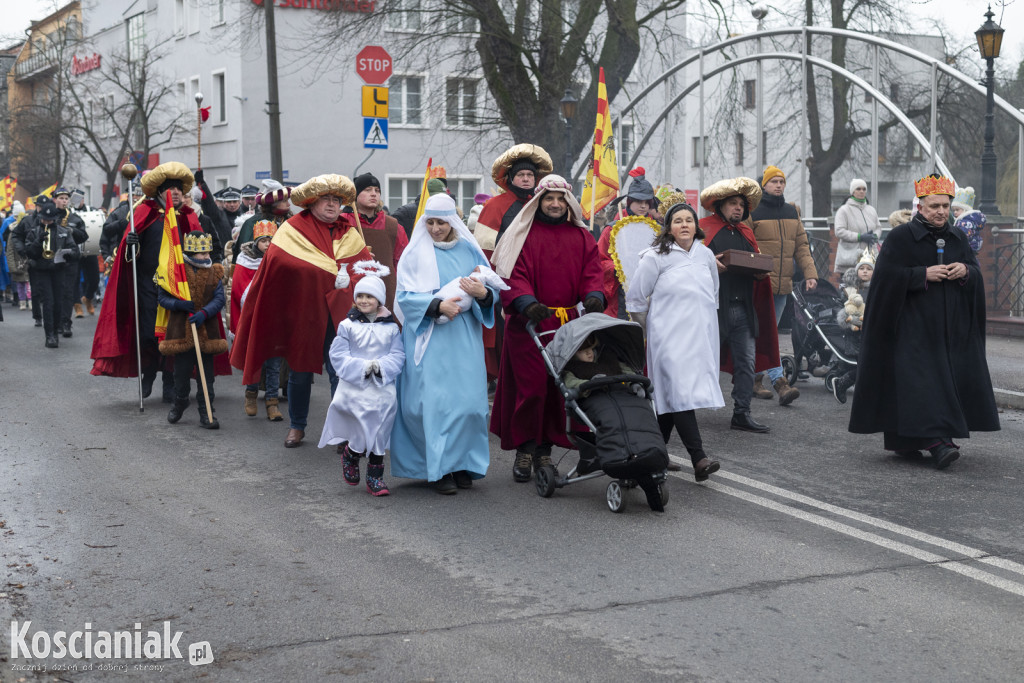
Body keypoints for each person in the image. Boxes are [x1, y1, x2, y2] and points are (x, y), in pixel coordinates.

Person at [849, 174, 1000, 468]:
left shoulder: (957, 237)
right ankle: (939, 443)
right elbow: (884, 280)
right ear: (920, 206)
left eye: (945, 205)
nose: (941, 212)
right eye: (934, 206)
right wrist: (921, 275)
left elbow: (975, 271)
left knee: (937, 382)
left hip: (948, 329)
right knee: (924, 383)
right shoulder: (900, 238)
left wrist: (966, 271)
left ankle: (906, 440)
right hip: (911, 329)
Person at [230, 174, 372, 448]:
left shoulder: (350, 233)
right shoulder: (293, 229)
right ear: (312, 202)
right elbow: (279, 268)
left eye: (336, 200)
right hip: (303, 311)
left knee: (339, 372)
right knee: (299, 371)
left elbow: (365, 272)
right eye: (326, 199)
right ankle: (297, 426)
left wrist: (353, 279)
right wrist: (321, 272)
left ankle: (341, 430)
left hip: (340, 315)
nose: (332, 205)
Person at [490, 174, 605, 482]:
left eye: (560, 199)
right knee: (532, 389)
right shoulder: (522, 235)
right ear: (538, 202)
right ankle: (525, 450)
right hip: (530, 323)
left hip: (569, 325)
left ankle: (544, 451)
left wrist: (594, 295)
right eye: (548, 199)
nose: (554, 204)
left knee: (560, 389)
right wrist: (526, 303)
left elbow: (591, 272)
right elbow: (513, 274)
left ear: (568, 203)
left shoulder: (582, 237)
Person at [390, 194, 497, 494]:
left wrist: (483, 294)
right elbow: (405, 297)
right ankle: (438, 469)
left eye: (442, 222)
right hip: (429, 336)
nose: (436, 228)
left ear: (454, 222)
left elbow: (489, 288)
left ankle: (463, 464)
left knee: (468, 404)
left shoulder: (470, 250)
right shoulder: (415, 254)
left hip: (464, 336)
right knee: (434, 405)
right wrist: (437, 306)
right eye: (431, 222)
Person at [90, 162, 216, 401]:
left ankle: (169, 382)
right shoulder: (144, 212)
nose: (176, 192)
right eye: (170, 188)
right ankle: (149, 372)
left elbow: (201, 252)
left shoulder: (188, 217)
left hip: (181, 285)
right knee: (150, 333)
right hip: (149, 284)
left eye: (179, 188)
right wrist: (131, 242)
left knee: (175, 335)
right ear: (159, 191)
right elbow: (128, 258)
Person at [627, 196, 724, 481]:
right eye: (678, 220)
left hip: (698, 338)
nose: (684, 224)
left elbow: (712, 297)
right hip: (667, 339)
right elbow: (635, 299)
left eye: (689, 220)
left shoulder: (705, 255)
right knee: (681, 393)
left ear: (696, 226)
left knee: (671, 398)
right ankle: (699, 458)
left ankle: (653, 453)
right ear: (668, 228)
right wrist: (650, 329)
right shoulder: (655, 256)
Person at [699, 177, 779, 434]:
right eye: (733, 203)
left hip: (743, 308)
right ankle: (678, 412)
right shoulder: (702, 229)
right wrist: (711, 265)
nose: (738, 209)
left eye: (741, 205)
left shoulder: (746, 232)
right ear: (720, 205)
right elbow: (688, 267)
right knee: (695, 361)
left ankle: (741, 413)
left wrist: (760, 274)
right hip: (710, 310)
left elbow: (755, 264)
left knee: (746, 362)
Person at [319, 265, 405, 497]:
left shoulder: (391, 329)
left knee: (380, 429)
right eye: (361, 296)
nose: (365, 300)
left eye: (370, 296)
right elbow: (338, 354)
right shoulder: (347, 326)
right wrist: (361, 367)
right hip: (355, 387)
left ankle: (375, 477)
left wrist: (380, 367)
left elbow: (397, 355)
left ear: (379, 300)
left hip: (382, 387)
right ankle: (352, 453)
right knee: (359, 425)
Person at [748, 166, 815, 405]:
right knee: (767, 334)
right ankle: (780, 382)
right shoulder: (753, 211)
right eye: (774, 181)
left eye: (782, 181)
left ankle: (755, 379)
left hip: (782, 286)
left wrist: (810, 273)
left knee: (768, 334)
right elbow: (747, 245)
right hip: (759, 283)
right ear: (764, 185)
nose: (778, 185)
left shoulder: (791, 212)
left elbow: (802, 246)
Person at [157, 231, 228, 429]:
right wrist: (179, 305)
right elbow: (162, 298)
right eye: (202, 254)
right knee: (181, 375)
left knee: (207, 376)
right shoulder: (177, 272)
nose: (207, 257)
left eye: (208, 253)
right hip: (181, 331)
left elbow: (219, 299)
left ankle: (207, 412)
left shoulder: (215, 271)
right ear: (191, 253)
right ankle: (180, 402)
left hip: (206, 331)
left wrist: (205, 313)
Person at [231, 220, 283, 421]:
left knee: (274, 364)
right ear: (256, 242)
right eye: (264, 240)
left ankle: (272, 402)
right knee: (254, 361)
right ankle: (251, 395)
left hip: (274, 319)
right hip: (253, 319)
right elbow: (240, 289)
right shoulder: (245, 260)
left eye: (271, 240)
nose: (268, 244)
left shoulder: (279, 259)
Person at [11, 198, 79, 348]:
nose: (47, 223)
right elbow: (29, 252)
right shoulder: (34, 232)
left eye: (50, 221)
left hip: (59, 270)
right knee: (48, 303)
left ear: (54, 219)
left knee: (58, 303)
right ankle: (50, 335)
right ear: (41, 219)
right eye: (44, 220)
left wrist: (69, 254)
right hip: (41, 271)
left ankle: (57, 329)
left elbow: (75, 250)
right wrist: (37, 242)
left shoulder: (63, 232)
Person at [341, 172, 409, 310]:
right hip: (351, 289)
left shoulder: (393, 225)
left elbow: (403, 262)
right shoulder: (342, 222)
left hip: (386, 291)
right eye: (367, 190)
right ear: (356, 194)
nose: (374, 194)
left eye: (377, 190)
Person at [597, 167, 656, 319]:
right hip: (620, 295)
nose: (643, 206)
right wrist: (619, 268)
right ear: (629, 202)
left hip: (650, 294)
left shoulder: (656, 230)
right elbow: (599, 260)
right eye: (638, 201)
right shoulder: (612, 230)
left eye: (646, 202)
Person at [830, 249, 874, 403]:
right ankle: (842, 383)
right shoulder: (850, 290)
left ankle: (844, 384)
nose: (865, 272)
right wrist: (852, 320)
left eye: (868, 269)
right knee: (866, 367)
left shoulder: (876, 288)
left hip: (874, 334)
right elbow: (843, 311)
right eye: (862, 268)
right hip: (856, 334)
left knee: (871, 366)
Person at [51, 187, 88, 337]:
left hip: (70, 260)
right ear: (54, 200)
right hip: (52, 260)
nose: (64, 201)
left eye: (66, 198)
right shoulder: (49, 216)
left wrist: (71, 231)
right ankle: (56, 322)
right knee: (54, 294)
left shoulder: (74, 218)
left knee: (67, 293)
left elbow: (84, 236)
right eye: (61, 198)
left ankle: (66, 322)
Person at [834, 178, 880, 275]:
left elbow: (878, 227)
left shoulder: (871, 210)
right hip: (850, 258)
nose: (861, 191)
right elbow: (839, 231)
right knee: (850, 288)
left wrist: (874, 236)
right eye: (858, 189)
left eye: (864, 189)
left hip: (870, 257)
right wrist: (859, 237)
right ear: (852, 191)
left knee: (869, 288)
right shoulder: (844, 210)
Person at [951, 186, 985, 254]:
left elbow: (963, 236)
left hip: (966, 249)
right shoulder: (967, 220)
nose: (955, 212)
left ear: (965, 210)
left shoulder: (965, 222)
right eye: (954, 210)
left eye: (957, 210)